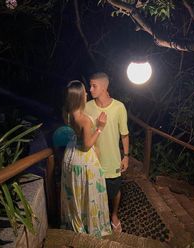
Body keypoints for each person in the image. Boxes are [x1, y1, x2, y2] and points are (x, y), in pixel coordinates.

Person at [61, 80, 112, 238]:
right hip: (83, 159)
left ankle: (77, 223)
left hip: (70, 156)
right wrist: (100, 127)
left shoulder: (67, 113)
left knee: (76, 192)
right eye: (84, 92)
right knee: (89, 193)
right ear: (79, 97)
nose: (87, 93)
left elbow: (78, 136)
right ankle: (92, 227)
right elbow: (88, 145)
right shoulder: (83, 119)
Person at [85, 72, 129, 233]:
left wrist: (126, 156)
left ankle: (114, 215)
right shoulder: (87, 106)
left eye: (94, 86)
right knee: (94, 192)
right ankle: (98, 218)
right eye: (90, 85)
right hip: (93, 160)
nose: (90, 89)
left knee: (115, 191)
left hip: (113, 160)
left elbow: (124, 134)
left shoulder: (119, 107)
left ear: (104, 87)